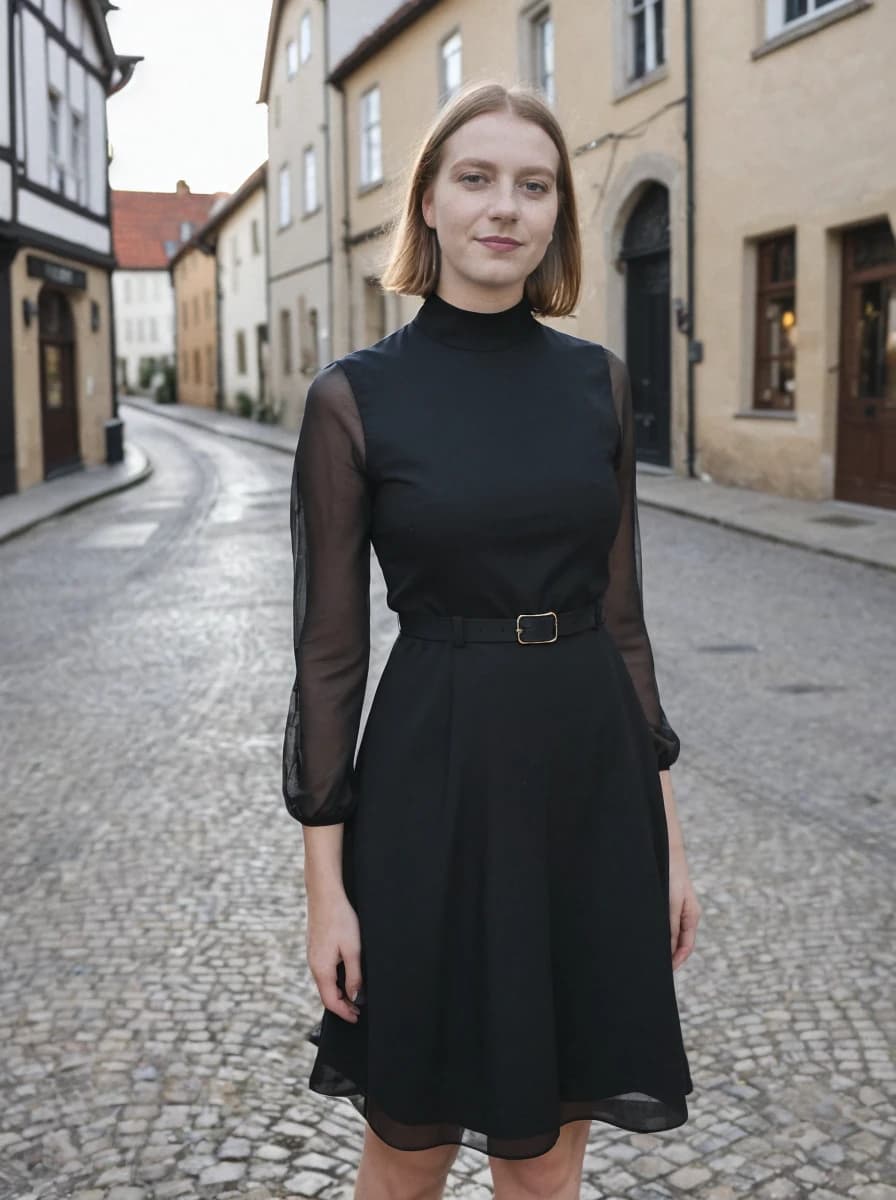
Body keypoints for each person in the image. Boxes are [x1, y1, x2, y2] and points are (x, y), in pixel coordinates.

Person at [281, 79, 701, 1200]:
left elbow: (622, 623)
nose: (502, 208)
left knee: (551, 1141)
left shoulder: (597, 386)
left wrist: (664, 835)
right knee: (408, 1142)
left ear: (558, 212)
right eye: (474, 179)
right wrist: (326, 886)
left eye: (533, 184)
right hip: (433, 773)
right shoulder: (354, 400)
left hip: (587, 781)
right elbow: (326, 658)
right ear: (425, 203)